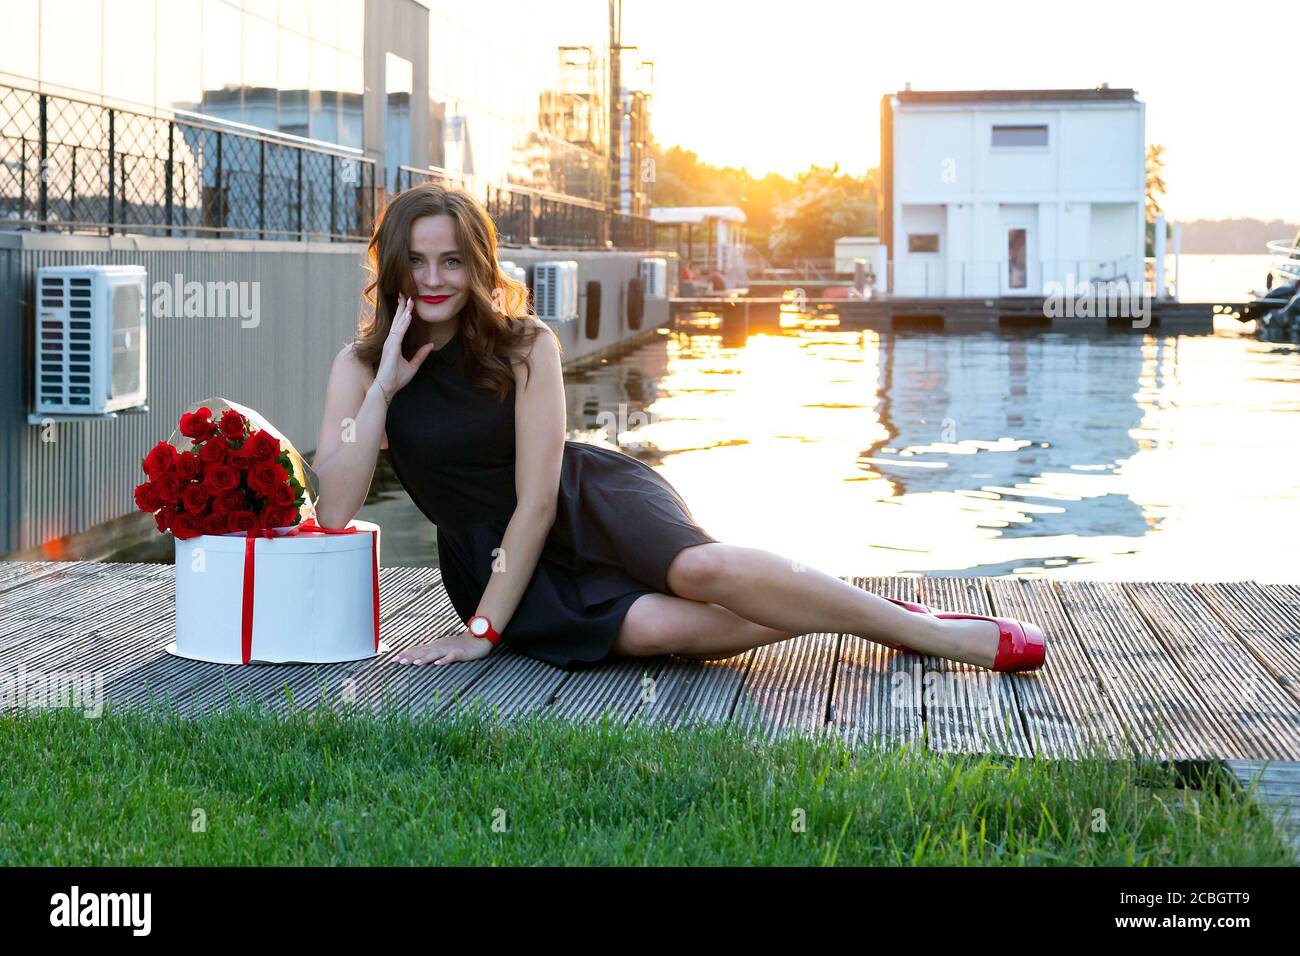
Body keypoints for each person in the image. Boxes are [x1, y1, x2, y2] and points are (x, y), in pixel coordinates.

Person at [311, 183, 1046, 671]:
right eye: (417, 262)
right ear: (394, 268)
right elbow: (337, 510)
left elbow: (536, 501)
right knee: (661, 631)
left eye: (452, 261)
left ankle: (934, 634)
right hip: (488, 561)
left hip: (583, 502)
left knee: (702, 573)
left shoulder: (524, 343)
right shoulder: (361, 365)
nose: (434, 279)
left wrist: (481, 635)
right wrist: (382, 392)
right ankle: (862, 612)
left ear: (478, 266)